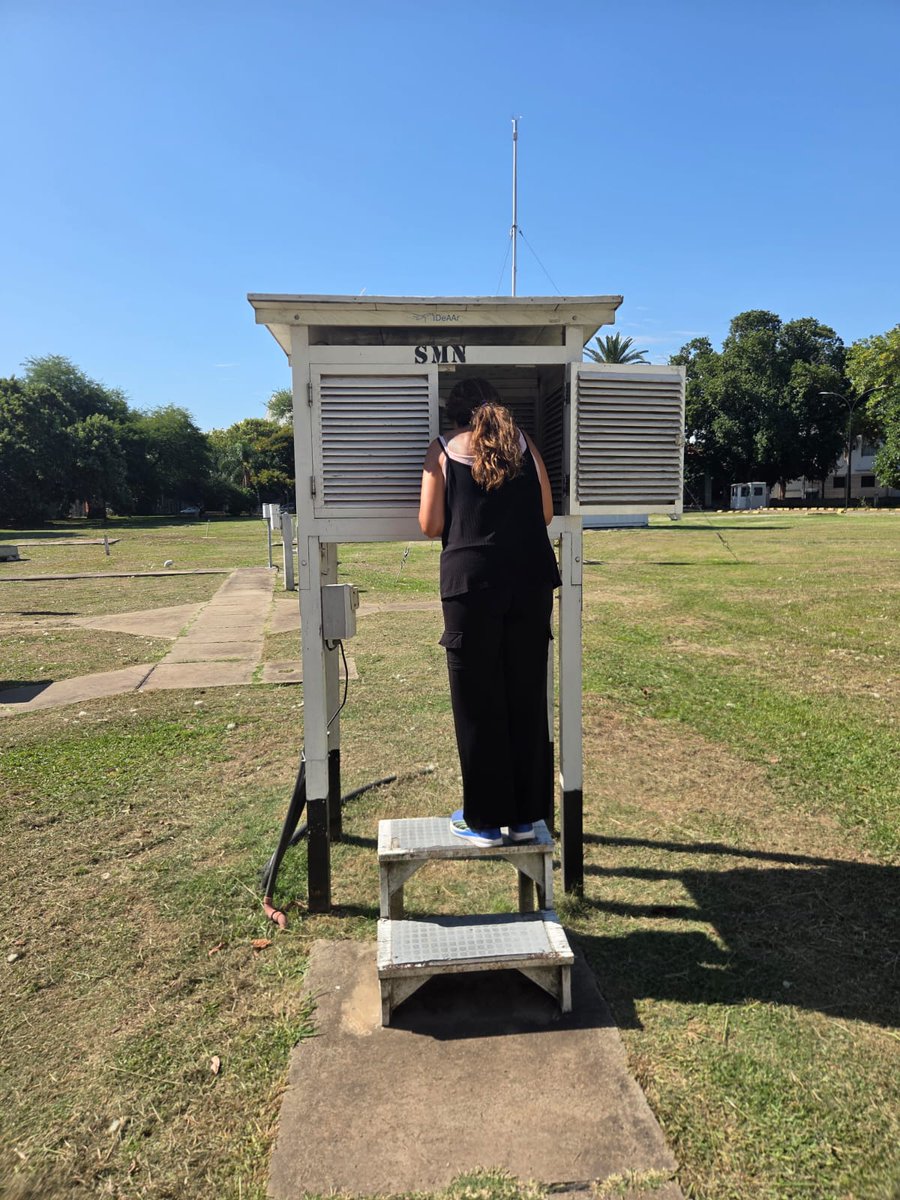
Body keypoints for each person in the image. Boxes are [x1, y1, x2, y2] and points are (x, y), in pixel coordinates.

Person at [418, 377, 562, 848]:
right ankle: (523, 819)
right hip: (531, 581)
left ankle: (483, 821)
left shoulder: (442, 448)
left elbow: (430, 524)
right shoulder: (524, 443)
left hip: (471, 586)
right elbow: (544, 513)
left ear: (453, 412)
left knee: (477, 702)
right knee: (525, 694)